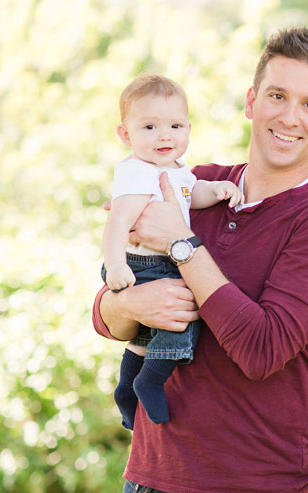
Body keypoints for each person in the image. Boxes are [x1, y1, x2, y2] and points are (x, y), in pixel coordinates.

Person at [91, 27, 308, 493]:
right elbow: (106, 310)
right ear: (250, 101)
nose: (289, 117)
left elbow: (262, 349)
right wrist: (127, 304)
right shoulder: (194, 184)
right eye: (277, 96)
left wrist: (185, 246)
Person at [102, 74, 243, 429]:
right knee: (181, 318)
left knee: (145, 334)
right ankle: (150, 380)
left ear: (188, 129)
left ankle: (127, 388)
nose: (164, 135)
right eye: (149, 126)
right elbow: (117, 222)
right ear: (125, 135)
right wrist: (115, 264)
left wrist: (218, 191)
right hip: (141, 263)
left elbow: (191, 196)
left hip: (159, 261)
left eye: (175, 125)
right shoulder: (138, 173)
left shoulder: (176, 170)